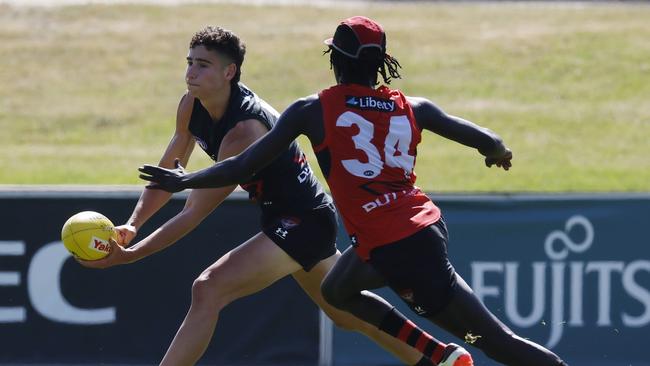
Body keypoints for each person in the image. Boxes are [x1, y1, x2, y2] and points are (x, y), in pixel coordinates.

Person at [138, 16, 570, 366]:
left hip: (392, 245)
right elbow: (484, 137)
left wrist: (185, 180)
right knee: (337, 294)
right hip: (412, 233)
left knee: (498, 344)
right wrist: (497, 151)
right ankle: (438, 356)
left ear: (335, 61)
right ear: (380, 62)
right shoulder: (412, 106)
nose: (192, 71)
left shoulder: (313, 108)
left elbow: (246, 163)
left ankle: (444, 356)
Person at [79, 25, 471, 366]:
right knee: (345, 314)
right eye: (189, 62)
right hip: (285, 216)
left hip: (302, 219)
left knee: (208, 288)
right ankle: (440, 357)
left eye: (203, 65)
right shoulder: (191, 105)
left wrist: (131, 255)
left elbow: (193, 212)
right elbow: (168, 173)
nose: (191, 73)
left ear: (229, 72)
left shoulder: (244, 132)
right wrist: (132, 224)